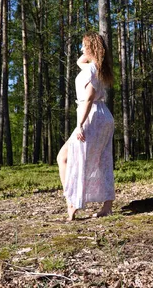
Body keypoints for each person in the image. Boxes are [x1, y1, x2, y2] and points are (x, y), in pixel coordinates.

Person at [57, 31, 115, 221]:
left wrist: (80, 125)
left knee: (67, 157)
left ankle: (72, 201)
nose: (81, 49)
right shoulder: (96, 67)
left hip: (91, 116)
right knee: (101, 160)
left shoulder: (92, 70)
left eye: (84, 46)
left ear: (91, 48)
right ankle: (106, 206)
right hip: (102, 116)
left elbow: (89, 98)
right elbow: (79, 61)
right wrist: (93, 48)